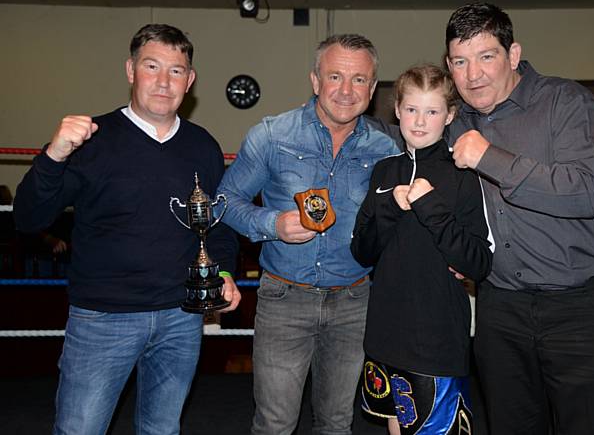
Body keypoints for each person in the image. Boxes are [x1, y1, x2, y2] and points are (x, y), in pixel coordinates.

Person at [13, 24, 241, 434]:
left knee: (162, 430)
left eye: (176, 71)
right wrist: (54, 154)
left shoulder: (203, 145)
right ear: (130, 70)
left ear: (189, 81)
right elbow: (28, 218)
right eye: (152, 66)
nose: (163, 80)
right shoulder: (92, 140)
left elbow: (216, 223)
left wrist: (222, 272)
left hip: (180, 318)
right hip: (103, 318)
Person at [445, 3, 594, 435]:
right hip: (500, 308)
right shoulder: (453, 121)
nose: (473, 75)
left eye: (486, 56)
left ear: (513, 55)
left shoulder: (566, 101)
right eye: (459, 61)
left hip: (581, 308)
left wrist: (488, 157)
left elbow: (583, 192)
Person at [218, 34, 400, 434]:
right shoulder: (271, 135)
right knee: (275, 424)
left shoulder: (387, 150)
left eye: (359, 80)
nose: (346, 90)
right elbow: (224, 201)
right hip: (284, 299)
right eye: (335, 76)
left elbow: (398, 225)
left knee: (336, 423)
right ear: (315, 80)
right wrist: (273, 224)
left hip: (355, 301)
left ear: (372, 90)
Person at [351, 64, 492, 435]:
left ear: (449, 115)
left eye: (431, 111)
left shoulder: (464, 175)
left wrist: (431, 208)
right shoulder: (384, 172)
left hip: (436, 338)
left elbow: (478, 263)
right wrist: (389, 207)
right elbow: (362, 251)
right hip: (385, 333)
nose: (419, 121)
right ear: (396, 110)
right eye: (411, 109)